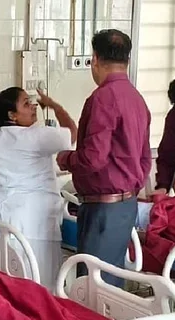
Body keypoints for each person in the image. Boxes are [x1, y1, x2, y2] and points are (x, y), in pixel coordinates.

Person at [55, 29, 151, 286]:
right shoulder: (137, 99)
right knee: (110, 281)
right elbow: (144, 158)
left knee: (93, 285)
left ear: (95, 59)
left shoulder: (102, 99)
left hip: (103, 208)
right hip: (126, 205)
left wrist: (65, 159)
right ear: (128, 59)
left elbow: (93, 158)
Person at [0, 87, 77, 291]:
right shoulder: (36, 136)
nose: (33, 106)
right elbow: (72, 133)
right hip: (31, 221)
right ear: (12, 115)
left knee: (2, 283)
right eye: (26, 103)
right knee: (38, 285)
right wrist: (54, 106)